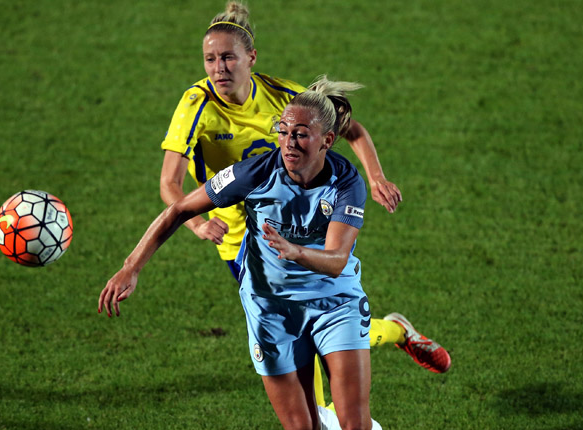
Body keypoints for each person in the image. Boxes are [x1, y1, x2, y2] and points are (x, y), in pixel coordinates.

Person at [159, 1, 450, 379]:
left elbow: (352, 129)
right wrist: (197, 225)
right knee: (295, 331)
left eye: (228, 58)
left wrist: (376, 177)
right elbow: (169, 183)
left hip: (303, 223)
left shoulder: (282, 97)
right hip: (240, 238)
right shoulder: (196, 105)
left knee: (316, 329)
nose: (219, 69)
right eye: (210, 59)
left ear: (251, 58)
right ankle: (395, 332)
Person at [100, 76, 388, 430]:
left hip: (333, 302)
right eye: (283, 131)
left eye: (300, 134)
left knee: (356, 429)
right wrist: (131, 266)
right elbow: (180, 208)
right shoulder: (255, 172)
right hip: (271, 309)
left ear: (327, 141)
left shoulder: (346, 182)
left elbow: (335, 261)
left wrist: (296, 252)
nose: (288, 142)